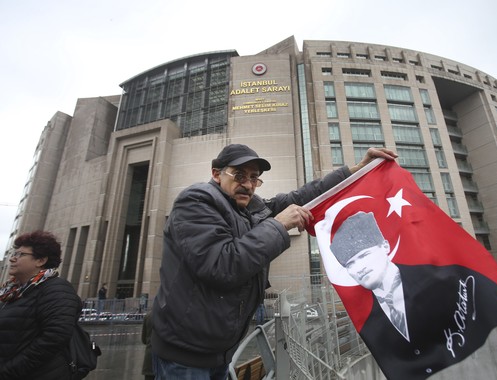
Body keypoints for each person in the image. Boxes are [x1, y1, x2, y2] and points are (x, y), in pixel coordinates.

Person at [151, 143, 397, 379]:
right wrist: (279, 224)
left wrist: (354, 171)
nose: (247, 185)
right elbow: (222, 265)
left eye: (253, 178)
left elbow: (301, 196)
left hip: (218, 352)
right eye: (239, 175)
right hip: (185, 354)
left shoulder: (248, 209)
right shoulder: (197, 201)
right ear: (216, 174)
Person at [0, 230, 82, 380]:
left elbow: (54, 338)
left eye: (21, 254)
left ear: (40, 261)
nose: (12, 259)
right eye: (14, 253)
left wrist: (8, 371)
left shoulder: (56, 289)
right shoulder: (11, 293)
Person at [330, 211, 408, 340]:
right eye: (350, 264)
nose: (359, 268)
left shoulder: (431, 279)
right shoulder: (363, 313)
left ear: (385, 246)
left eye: (364, 255)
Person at [141, 311, 155, 380]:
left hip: (150, 361)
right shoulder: (172, 315)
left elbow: (144, 340)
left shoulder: (149, 315)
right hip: (166, 362)